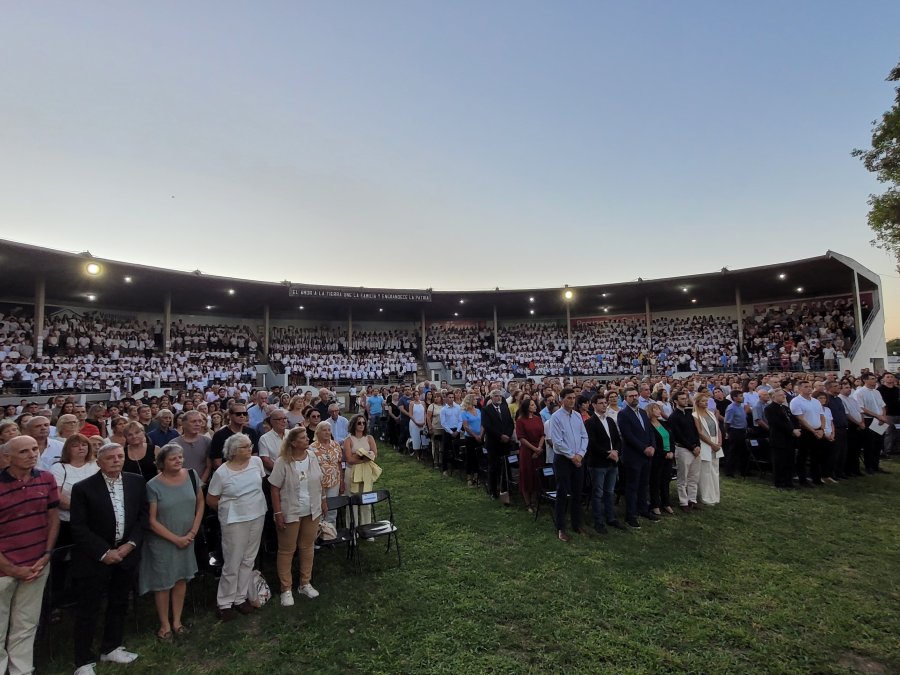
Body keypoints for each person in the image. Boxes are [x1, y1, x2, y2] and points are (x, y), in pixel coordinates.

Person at [70, 442, 147, 673]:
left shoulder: (136, 481)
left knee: (119, 602)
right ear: (99, 461)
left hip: (126, 553)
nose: (116, 460)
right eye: (110, 457)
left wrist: (130, 545)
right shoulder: (83, 488)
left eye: (120, 456)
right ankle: (83, 660)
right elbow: (79, 527)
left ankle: (111, 646)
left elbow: (143, 517)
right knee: (89, 608)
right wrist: (104, 552)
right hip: (96, 557)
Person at [0, 435, 60, 675]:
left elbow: (52, 519)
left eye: (34, 449)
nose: (32, 454)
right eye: (24, 451)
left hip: (37, 563)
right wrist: (12, 568)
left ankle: (21, 670)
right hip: (4, 567)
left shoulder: (46, 479)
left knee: (26, 622)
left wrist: (46, 554)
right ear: (7, 457)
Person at [139, 444, 204, 640]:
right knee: (164, 583)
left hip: (187, 537)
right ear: (162, 463)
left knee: (181, 578)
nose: (178, 461)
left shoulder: (192, 475)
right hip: (164, 541)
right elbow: (151, 520)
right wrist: (176, 539)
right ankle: (164, 625)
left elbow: (200, 503)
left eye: (180, 457)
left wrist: (192, 532)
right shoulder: (153, 485)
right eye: (173, 459)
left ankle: (177, 620)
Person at [206, 433, 266, 621]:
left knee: (249, 558)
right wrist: (228, 511)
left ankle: (240, 598)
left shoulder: (256, 462)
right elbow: (211, 499)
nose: (250, 449)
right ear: (232, 451)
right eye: (245, 447)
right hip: (234, 521)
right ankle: (224, 603)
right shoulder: (222, 472)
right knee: (233, 561)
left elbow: (260, 484)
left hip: (257, 514)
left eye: (250, 445)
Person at [549, 388, 589, 541]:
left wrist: (580, 454)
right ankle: (561, 527)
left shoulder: (578, 416)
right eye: (569, 398)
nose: (572, 400)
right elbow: (557, 443)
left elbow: (584, 437)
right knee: (562, 493)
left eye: (574, 398)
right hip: (564, 460)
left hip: (578, 458)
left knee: (577, 493)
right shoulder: (556, 417)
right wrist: (573, 457)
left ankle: (576, 524)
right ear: (561, 400)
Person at [616, 388, 656, 528]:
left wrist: (652, 446)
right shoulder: (623, 414)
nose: (634, 398)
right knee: (632, 486)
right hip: (633, 455)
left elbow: (650, 431)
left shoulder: (643, 412)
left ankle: (643, 509)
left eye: (635, 395)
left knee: (644, 484)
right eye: (630, 396)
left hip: (647, 455)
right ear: (625, 399)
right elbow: (628, 435)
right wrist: (643, 448)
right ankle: (630, 515)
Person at [49, 434, 99, 545]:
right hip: (68, 523)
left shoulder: (96, 465)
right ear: (67, 449)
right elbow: (57, 496)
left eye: (84, 445)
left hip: (95, 522)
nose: (81, 448)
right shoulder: (58, 468)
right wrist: (84, 509)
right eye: (75, 446)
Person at [584, 393, 623, 532]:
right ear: (594, 405)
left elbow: (617, 440)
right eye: (600, 403)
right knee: (598, 493)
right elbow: (591, 443)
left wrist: (616, 451)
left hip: (612, 462)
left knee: (609, 492)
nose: (604, 405)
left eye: (604, 403)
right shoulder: (589, 422)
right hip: (598, 463)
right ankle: (598, 521)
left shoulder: (610, 421)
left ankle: (611, 517)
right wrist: (608, 453)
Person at [342, 414, 381, 529]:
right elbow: (349, 459)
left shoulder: (369, 438)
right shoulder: (348, 440)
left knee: (366, 499)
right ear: (354, 424)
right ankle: (352, 529)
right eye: (359, 423)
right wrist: (364, 458)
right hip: (352, 472)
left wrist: (358, 457)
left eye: (364, 423)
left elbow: (374, 454)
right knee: (352, 500)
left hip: (366, 472)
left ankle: (366, 528)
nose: (362, 425)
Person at [668, 391, 702, 512]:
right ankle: (683, 502)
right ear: (676, 401)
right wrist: (692, 448)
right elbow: (678, 436)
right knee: (683, 477)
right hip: (683, 449)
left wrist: (697, 445)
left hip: (695, 448)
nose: (685, 401)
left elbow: (696, 431)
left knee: (694, 476)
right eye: (682, 399)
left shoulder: (690, 414)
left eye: (685, 398)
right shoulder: (673, 417)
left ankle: (692, 499)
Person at [790, 381, 826, 486]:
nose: (809, 389)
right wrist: (813, 431)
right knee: (803, 456)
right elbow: (800, 419)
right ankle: (803, 479)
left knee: (817, 456)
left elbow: (822, 416)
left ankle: (816, 478)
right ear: (800, 389)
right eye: (806, 387)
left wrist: (822, 429)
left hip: (818, 430)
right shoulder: (796, 401)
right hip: (805, 432)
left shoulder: (815, 401)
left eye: (810, 387)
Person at [852, 373, 890, 474]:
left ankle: (876, 465)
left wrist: (883, 417)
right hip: (868, 420)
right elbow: (861, 408)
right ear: (865, 380)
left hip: (880, 420)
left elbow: (883, 405)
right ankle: (869, 466)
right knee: (869, 444)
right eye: (872, 379)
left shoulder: (877, 392)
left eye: (875, 379)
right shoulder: (859, 392)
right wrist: (877, 416)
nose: (875, 381)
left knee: (878, 443)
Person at [481, 389, 515, 503]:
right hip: (493, 443)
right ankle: (493, 491)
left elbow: (510, 423)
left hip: (505, 443)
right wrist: (500, 436)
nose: (498, 398)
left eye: (500, 396)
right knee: (493, 468)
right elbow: (487, 426)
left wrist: (508, 435)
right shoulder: (486, 410)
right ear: (491, 398)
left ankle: (505, 489)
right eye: (496, 396)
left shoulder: (505, 408)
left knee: (505, 467)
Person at [515, 398, 545, 513]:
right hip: (527, 451)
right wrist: (534, 449)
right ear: (527, 407)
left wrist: (539, 448)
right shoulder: (520, 421)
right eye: (532, 405)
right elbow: (521, 438)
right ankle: (528, 504)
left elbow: (543, 434)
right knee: (527, 475)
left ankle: (534, 501)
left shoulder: (538, 419)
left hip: (538, 449)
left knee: (536, 476)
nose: (535, 406)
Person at [765, 388, 800, 489]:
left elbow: (791, 420)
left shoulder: (785, 408)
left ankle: (788, 481)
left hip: (789, 439)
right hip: (778, 439)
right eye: (780, 395)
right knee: (779, 462)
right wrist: (792, 430)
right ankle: (779, 483)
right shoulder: (769, 408)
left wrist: (796, 429)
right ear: (773, 397)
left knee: (789, 461)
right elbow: (776, 423)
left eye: (784, 395)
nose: (784, 396)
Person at [692, 392, 722, 506]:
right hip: (705, 444)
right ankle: (706, 496)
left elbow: (717, 428)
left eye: (706, 401)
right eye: (703, 401)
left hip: (715, 442)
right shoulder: (695, 415)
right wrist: (711, 444)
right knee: (705, 472)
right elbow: (700, 433)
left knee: (715, 470)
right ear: (698, 402)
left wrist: (719, 442)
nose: (705, 403)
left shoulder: (711, 413)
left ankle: (715, 495)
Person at [311, 421, 343, 526]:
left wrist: (341, 481)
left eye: (329, 430)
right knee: (319, 509)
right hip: (319, 484)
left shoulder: (336, 445)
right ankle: (319, 535)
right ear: (318, 432)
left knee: (332, 509)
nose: (327, 432)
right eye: (324, 430)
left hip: (334, 481)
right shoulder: (312, 448)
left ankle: (330, 534)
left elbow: (339, 464)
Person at [647, 402, 674, 516]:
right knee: (656, 481)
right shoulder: (648, 426)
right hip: (658, 457)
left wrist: (671, 451)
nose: (659, 411)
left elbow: (671, 437)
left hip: (669, 456)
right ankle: (655, 504)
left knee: (666, 480)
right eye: (656, 409)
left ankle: (666, 503)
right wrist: (664, 453)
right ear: (651, 411)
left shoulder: (664, 423)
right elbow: (652, 443)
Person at [172, 410, 212, 485]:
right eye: (193, 421)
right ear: (183, 424)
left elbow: (209, 466)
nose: (197, 424)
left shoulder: (207, 441)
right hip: (180, 484)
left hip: (202, 485)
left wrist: (201, 483)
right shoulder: (174, 444)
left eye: (200, 421)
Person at [723, 391, 749, 478]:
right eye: (741, 396)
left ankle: (743, 471)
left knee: (743, 452)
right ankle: (729, 472)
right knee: (732, 452)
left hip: (742, 431)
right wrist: (726, 432)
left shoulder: (740, 407)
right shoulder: (731, 408)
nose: (743, 397)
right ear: (735, 398)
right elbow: (727, 422)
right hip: (735, 431)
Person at [460, 394, 483, 487]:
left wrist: (481, 435)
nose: (476, 401)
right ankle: (469, 477)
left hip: (480, 436)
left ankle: (477, 477)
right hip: (470, 438)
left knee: (478, 457)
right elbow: (466, 426)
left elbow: (482, 423)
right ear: (469, 400)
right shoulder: (464, 412)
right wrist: (474, 435)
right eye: (474, 399)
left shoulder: (478, 410)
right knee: (470, 457)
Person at [439, 391, 462, 477]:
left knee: (456, 449)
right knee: (446, 450)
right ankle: (445, 469)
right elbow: (443, 423)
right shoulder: (443, 409)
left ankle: (456, 467)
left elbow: (460, 420)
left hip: (457, 430)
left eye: (453, 397)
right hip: (448, 431)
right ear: (446, 398)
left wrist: (458, 430)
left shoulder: (458, 407)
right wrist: (451, 432)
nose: (451, 399)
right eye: (450, 397)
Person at [426, 392, 444, 470]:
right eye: (435, 397)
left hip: (443, 428)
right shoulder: (431, 406)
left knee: (442, 446)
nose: (436, 398)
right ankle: (435, 461)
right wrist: (430, 427)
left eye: (438, 397)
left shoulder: (444, 406)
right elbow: (428, 418)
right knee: (435, 445)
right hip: (435, 428)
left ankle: (441, 461)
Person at [407, 390, 427, 458]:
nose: (417, 396)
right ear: (413, 396)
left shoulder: (423, 403)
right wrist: (416, 422)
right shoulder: (412, 403)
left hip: (422, 422)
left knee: (424, 438)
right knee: (416, 438)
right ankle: (417, 454)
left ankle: (423, 454)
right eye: (415, 395)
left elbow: (425, 413)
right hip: (414, 423)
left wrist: (424, 421)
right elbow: (410, 414)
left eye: (418, 395)